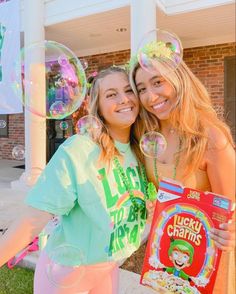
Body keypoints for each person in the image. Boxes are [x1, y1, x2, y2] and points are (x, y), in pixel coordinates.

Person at [0, 66, 149, 294]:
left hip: (109, 266)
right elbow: (33, 219)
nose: (124, 99)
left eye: (129, 90)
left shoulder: (141, 151)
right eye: (111, 94)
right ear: (97, 106)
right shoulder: (80, 149)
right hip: (67, 270)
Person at [129, 43, 235, 293]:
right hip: (170, 249)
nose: (149, 97)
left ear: (179, 80)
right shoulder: (147, 133)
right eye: (141, 89)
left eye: (157, 82)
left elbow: (232, 204)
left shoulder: (210, 137)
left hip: (208, 256)